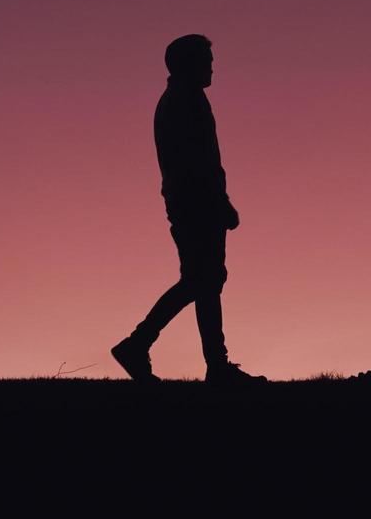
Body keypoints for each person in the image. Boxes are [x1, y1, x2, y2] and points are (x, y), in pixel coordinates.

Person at [112, 34, 268, 385]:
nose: (212, 66)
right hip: (195, 204)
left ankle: (207, 362)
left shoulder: (181, 99)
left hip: (190, 203)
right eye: (206, 59)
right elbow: (198, 160)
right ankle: (144, 346)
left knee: (204, 280)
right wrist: (219, 201)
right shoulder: (185, 100)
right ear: (188, 63)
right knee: (203, 280)